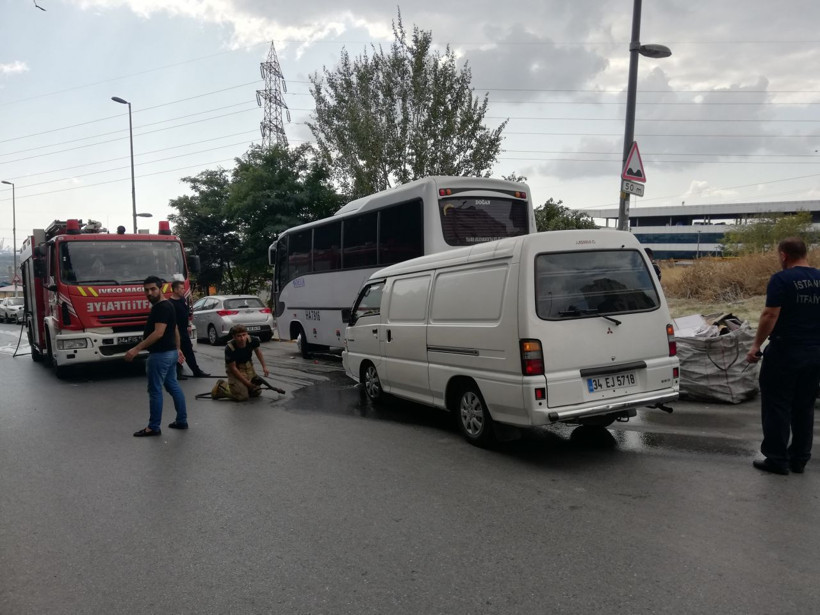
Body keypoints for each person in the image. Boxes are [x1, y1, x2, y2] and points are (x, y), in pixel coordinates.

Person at [745, 237, 820, 475]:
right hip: (814, 352)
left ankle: (777, 459)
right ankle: (799, 458)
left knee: (777, 405)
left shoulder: (782, 279)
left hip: (786, 351)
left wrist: (756, 345)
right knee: (804, 406)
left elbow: (770, 314)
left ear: (784, 255)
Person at [125, 276, 188, 436]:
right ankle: (181, 421)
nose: (149, 293)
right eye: (146, 290)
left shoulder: (161, 308)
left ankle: (153, 427)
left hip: (160, 355)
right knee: (173, 386)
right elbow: (174, 329)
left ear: (161, 289)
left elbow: (159, 333)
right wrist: (178, 349)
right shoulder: (169, 305)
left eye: (153, 289)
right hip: (171, 353)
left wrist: (136, 349)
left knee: (155, 390)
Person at [213, 324, 270, 401]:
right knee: (242, 396)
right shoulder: (229, 348)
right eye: (239, 336)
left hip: (247, 366)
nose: (242, 338)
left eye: (244, 335)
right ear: (234, 337)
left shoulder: (253, 340)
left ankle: (240, 387)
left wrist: (264, 367)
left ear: (247, 334)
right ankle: (222, 386)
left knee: (256, 392)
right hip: (235, 369)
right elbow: (233, 368)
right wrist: (247, 383)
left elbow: (258, 351)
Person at [169, 280, 209, 379]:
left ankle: (196, 371)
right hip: (175, 332)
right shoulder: (170, 303)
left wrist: (188, 325)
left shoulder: (182, 300)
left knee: (188, 352)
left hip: (184, 330)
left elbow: (186, 313)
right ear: (175, 289)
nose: (183, 290)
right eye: (181, 288)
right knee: (176, 352)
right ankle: (177, 373)